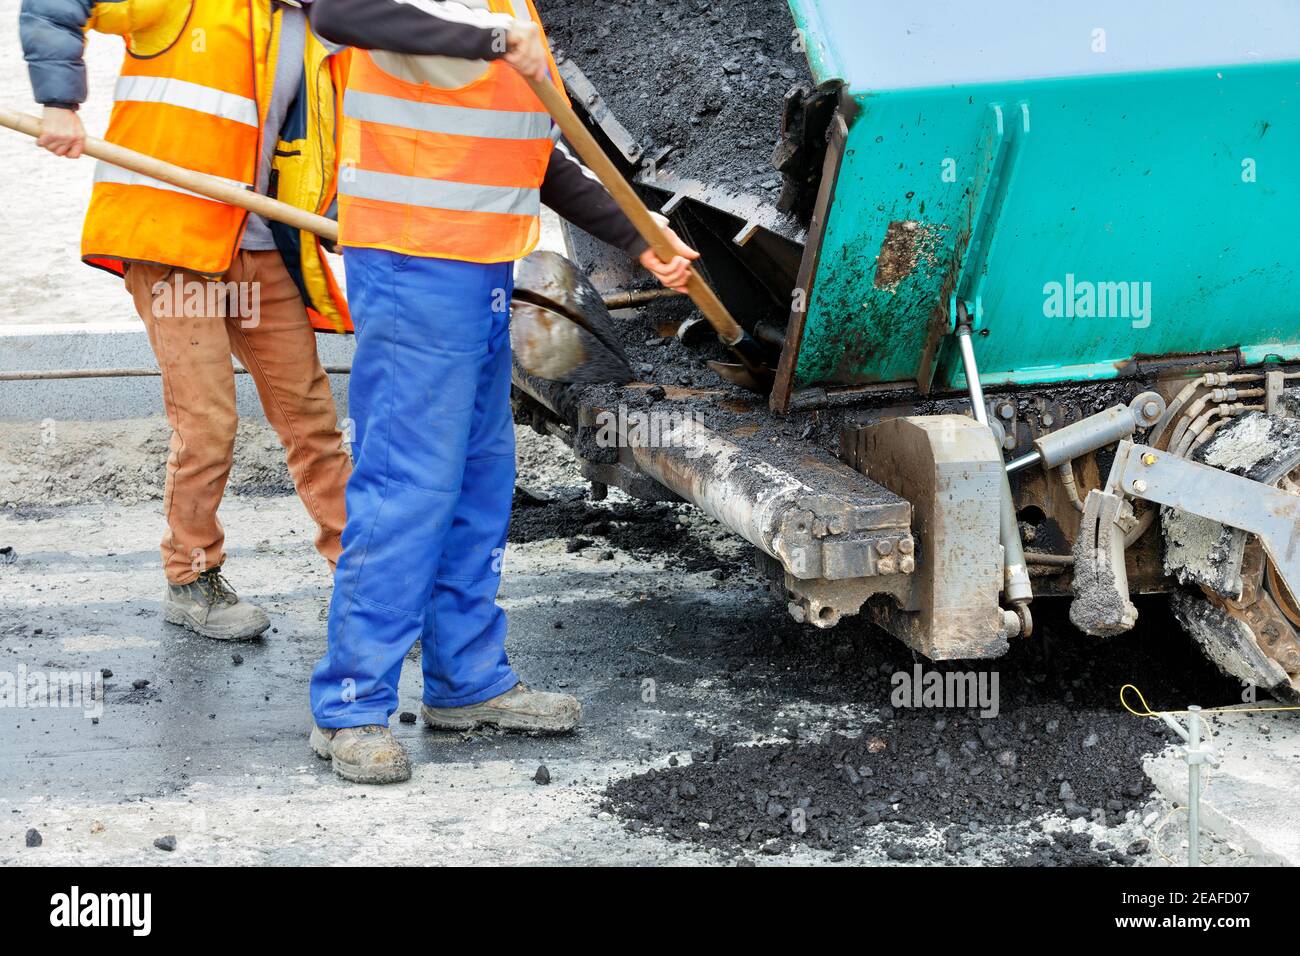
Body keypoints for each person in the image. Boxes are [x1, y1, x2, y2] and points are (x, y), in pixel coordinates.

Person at [305, 0, 699, 783]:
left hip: (483, 270)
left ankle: (467, 682)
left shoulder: (509, 9)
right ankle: (351, 706)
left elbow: (538, 157)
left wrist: (638, 235)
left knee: (481, 482)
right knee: (406, 484)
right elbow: (336, 12)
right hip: (414, 264)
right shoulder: (477, 18)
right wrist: (488, 40)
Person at [20, 0, 354, 641]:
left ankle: (363, 573)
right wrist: (60, 102)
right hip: (179, 250)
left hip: (264, 247)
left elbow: (330, 140)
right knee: (207, 422)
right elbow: (56, 5)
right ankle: (191, 577)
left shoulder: (329, 28)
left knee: (311, 418)